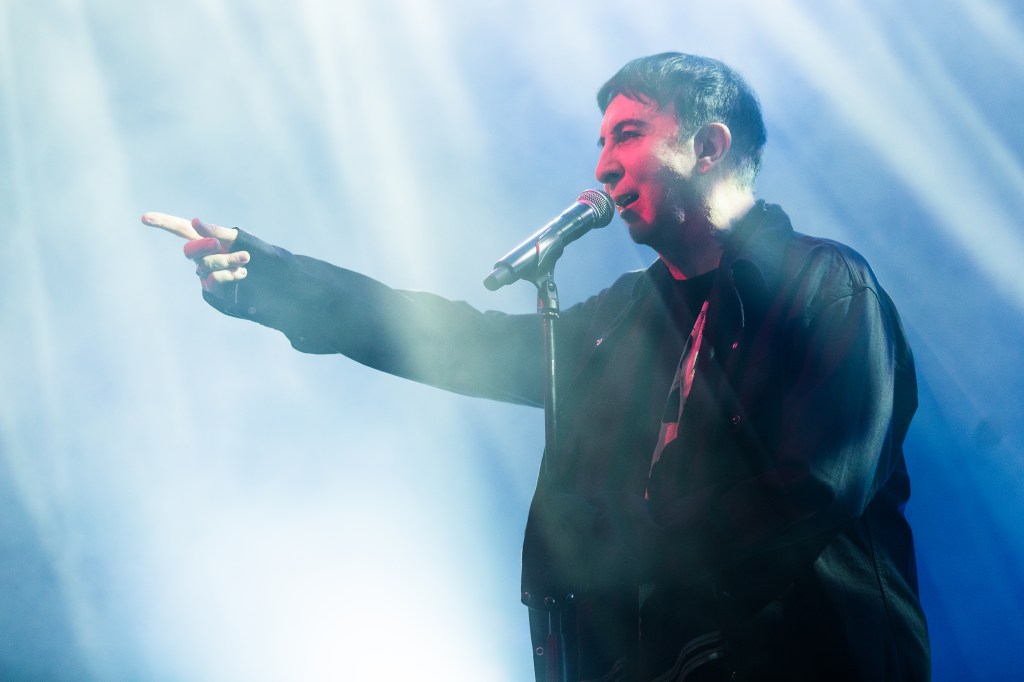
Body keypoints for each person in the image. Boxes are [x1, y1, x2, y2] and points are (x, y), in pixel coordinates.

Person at [145, 53, 930, 681]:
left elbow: (820, 483)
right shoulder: (622, 321)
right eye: (600, 144)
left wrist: (646, 563)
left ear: (708, 145)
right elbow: (457, 342)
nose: (605, 167)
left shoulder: (828, 285)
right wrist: (276, 282)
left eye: (627, 134)